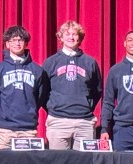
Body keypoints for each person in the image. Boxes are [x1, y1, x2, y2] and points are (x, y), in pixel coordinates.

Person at [42, 21, 102, 150]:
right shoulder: (51, 62)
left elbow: (97, 90)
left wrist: (87, 105)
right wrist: (54, 107)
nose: (71, 37)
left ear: (80, 38)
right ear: (61, 37)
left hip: (84, 122)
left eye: (74, 34)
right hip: (58, 121)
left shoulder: (90, 62)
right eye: (67, 34)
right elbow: (42, 91)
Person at [0, 25, 48, 149]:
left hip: (28, 129)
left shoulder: (37, 70)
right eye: (13, 40)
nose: (17, 43)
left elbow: (40, 97)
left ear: (26, 43)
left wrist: (30, 111)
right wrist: (3, 114)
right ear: (7, 44)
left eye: (20, 40)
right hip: (5, 129)